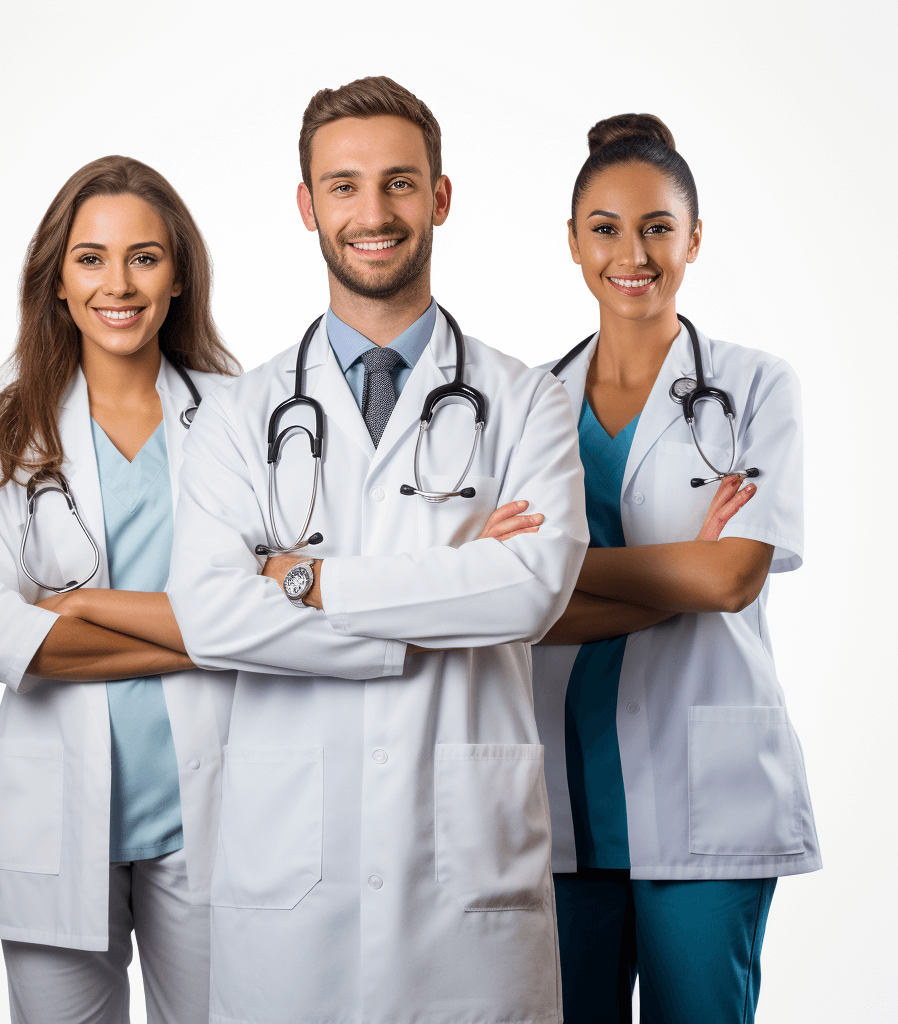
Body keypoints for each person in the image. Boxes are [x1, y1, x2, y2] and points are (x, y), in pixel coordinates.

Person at [162, 77, 588, 1024]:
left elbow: (527, 591)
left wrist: (307, 580)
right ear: (308, 207)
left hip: (463, 892)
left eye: (400, 183)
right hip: (290, 887)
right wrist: (441, 598)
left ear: (439, 197)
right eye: (344, 187)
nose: (374, 213)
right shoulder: (236, 416)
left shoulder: (525, 402)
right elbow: (210, 614)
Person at [532, 114, 821, 1023]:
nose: (635, 252)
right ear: (573, 241)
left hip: (712, 801)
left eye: (659, 227)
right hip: (559, 796)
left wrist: (570, 574)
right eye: (607, 227)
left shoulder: (755, 387)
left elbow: (732, 581)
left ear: (695, 238)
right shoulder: (523, 403)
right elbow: (512, 604)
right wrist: (681, 567)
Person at [0, 155, 240, 1024]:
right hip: (56, 815)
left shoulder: (240, 420)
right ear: (59, 281)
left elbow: (289, 600)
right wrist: (209, 636)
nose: (119, 283)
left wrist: (70, 615)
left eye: (145, 257)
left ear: (179, 275)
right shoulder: (6, 428)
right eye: (92, 258)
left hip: (211, 811)